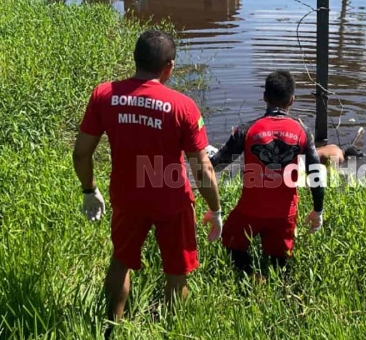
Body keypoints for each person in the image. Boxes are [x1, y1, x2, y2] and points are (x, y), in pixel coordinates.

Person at [72, 29, 222, 332]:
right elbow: (202, 169)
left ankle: (112, 328)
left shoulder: (104, 94)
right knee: (176, 270)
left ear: (135, 59)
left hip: (127, 197)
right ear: (169, 67)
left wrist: (90, 190)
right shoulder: (183, 106)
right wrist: (216, 210)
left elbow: (81, 153)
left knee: (121, 260)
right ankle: (169, 330)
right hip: (172, 199)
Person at [210, 70, 326, 278]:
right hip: (284, 216)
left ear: (265, 97)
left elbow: (217, 165)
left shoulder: (246, 131)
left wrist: (199, 157)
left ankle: (247, 275)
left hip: (249, 212)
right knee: (279, 266)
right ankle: (273, 281)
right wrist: (318, 211)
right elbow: (315, 173)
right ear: (292, 100)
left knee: (230, 244)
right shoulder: (303, 133)